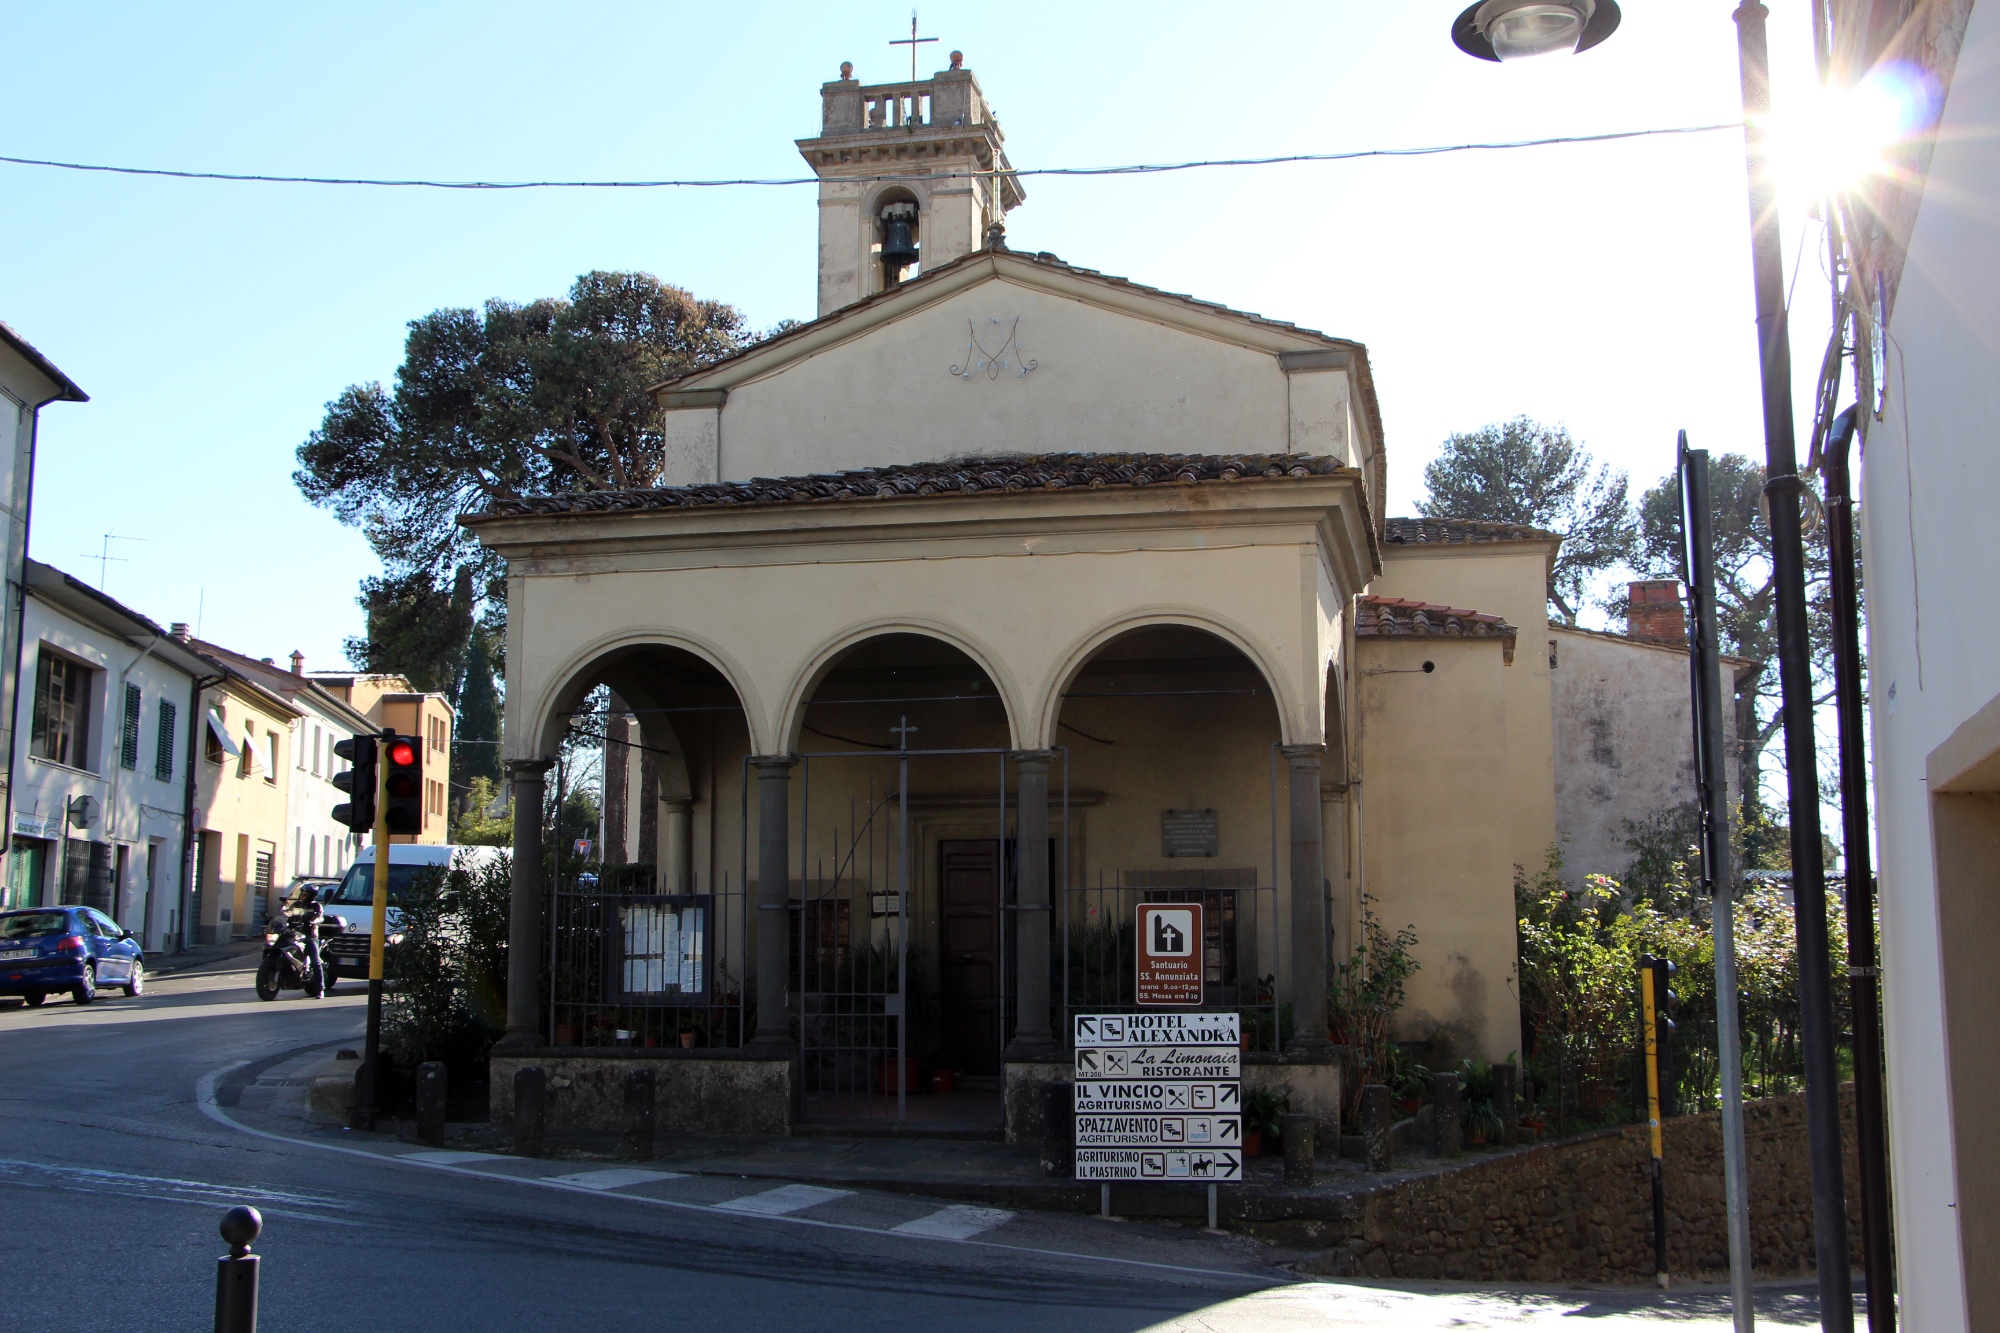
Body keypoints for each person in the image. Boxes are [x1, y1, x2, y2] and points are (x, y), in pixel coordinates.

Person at [291, 884, 327, 998]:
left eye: (305, 894)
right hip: (296, 935)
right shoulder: (297, 905)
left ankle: (320, 989)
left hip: (310, 936)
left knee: (315, 961)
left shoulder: (316, 906)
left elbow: (320, 917)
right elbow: (287, 913)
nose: (302, 896)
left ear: (311, 896)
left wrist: (314, 920)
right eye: (301, 893)